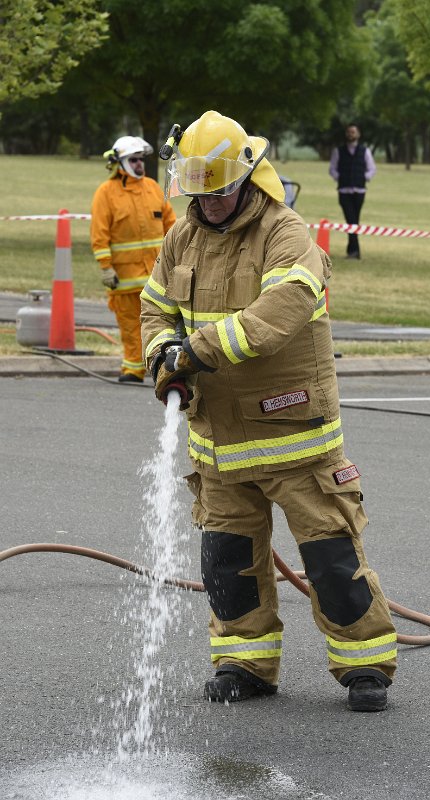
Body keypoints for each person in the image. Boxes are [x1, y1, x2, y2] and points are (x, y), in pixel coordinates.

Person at [140, 110, 397, 712]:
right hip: (217, 444)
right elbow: (155, 310)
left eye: (219, 192)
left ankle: (365, 667)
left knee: (331, 557)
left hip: (294, 434)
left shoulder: (287, 234)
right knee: (228, 564)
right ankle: (244, 663)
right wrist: (160, 357)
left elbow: (277, 316)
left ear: (246, 178)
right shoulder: (183, 235)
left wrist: (193, 352)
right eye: (198, 193)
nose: (209, 205)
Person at [91, 136, 176, 382]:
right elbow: (99, 233)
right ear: (120, 162)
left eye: (141, 159)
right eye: (134, 160)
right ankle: (133, 370)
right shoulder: (106, 193)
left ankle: (160, 369)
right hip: (125, 279)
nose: (140, 164)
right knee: (130, 327)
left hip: (157, 278)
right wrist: (106, 268)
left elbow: (172, 228)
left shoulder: (152, 188)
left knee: (162, 325)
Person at [329, 123, 376, 260]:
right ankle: (354, 251)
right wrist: (340, 178)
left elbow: (372, 169)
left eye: (353, 132)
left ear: (358, 134)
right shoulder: (339, 151)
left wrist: (364, 178)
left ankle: (353, 250)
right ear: (346, 134)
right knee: (351, 220)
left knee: (354, 221)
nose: (351, 134)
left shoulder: (365, 151)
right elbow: (332, 168)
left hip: (359, 190)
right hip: (344, 191)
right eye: (349, 132)